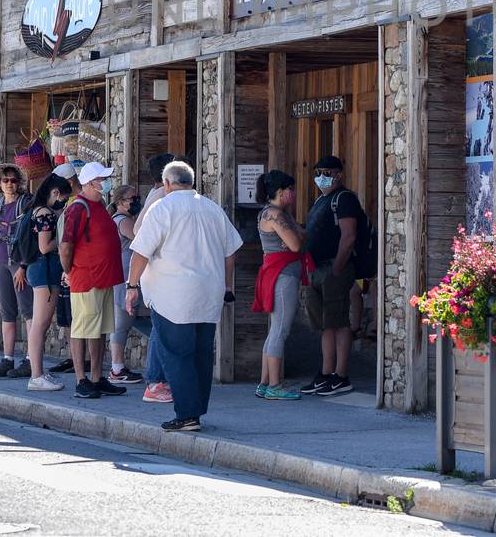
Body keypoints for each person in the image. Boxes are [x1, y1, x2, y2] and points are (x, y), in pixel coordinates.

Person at [126, 160, 242, 432]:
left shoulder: (162, 208)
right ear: (192, 181)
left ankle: (187, 414)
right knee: (202, 353)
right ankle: (196, 409)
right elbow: (231, 251)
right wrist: (226, 285)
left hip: (172, 295)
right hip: (209, 292)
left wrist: (132, 287)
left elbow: (141, 252)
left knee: (177, 354)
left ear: (167, 184)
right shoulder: (212, 208)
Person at [58, 161, 127, 399]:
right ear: (88, 183)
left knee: (98, 331)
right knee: (82, 329)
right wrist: (68, 271)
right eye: (100, 180)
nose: (104, 183)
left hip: (103, 278)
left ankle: (97, 378)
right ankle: (81, 379)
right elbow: (66, 245)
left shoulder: (97, 206)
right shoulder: (79, 208)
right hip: (86, 278)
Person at [301, 155, 365, 396]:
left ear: (339, 174)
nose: (321, 177)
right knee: (325, 325)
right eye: (318, 172)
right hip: (316, 270)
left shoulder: (344, 199)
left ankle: (341, 375)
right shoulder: (321, 199)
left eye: (327, 172)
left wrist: (337, 267)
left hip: (333, 269)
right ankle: (326, 373)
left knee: (339, 322)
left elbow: (348, 236)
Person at [252, 170, 312, 400]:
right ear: (280, 191)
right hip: (283, 275)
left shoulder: (273, 213)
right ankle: (275, 385)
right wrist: (302, 232)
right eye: (291, 189)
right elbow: (296, 243)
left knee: (274, 330)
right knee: (280, 330)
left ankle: (265, 382)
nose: (294, 193)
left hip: (278, 274)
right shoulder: (276, 214)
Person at [23, 173, 75, 391]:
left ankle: (39, 373)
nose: (63, 201)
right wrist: (64, 239)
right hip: (44, 271)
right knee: (40, 325)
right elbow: (45, 246)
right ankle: (36, 375)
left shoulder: (34, 210)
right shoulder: (44, 213)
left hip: (40, 270)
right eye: (63, 197)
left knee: (39, 324)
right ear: (55, 193)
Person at [136, 153, 176, 404]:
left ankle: (160, 379)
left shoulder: (156, 195)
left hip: (159, 269)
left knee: (161, 327)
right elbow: (139, 231)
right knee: (160, 328)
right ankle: (155, 381)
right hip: (160, 270)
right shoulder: (161, 197)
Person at [0, 165, 33, 379]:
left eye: (13, 180)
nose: (10, 184)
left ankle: (31, 359)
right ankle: (8, 358)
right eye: (5, 180)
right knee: (7, 312)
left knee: (28, 311)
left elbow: (29, 237)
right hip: (0, 261)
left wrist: (23, 266)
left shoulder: (25, 203)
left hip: (18, 262)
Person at [107, 183, 144, 385]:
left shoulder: (121, 219)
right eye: (132, 199)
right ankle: (117, 367)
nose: (136, 201)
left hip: (123, 274)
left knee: (125, 321)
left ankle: (117, 366)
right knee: (122, 322)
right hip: (124, 276)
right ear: (121, 202)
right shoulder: (123, 221)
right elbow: (141, 239)